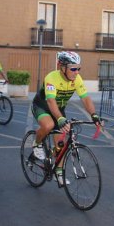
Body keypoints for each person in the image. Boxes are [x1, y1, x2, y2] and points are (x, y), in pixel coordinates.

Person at [30, 51, 101, 185]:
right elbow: (51, 101)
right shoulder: (52, 78)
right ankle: (37, 143)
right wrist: (60, 119)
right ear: (62, 67)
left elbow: (85, 98)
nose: (76, 72)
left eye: (78, 68)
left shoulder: (77, 79)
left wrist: (94, 115)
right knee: (49, 125)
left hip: (59, 109)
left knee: (61, 144)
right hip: (42, 106)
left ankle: (58, 172)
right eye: (73, 68)